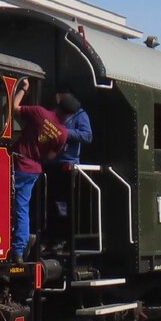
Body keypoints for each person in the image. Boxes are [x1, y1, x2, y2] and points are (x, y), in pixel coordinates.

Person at [11, 77, 68, 260]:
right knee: (22, 208)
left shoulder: (39, 112)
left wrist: (23, 90)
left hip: (19, 163)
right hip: (34, 168)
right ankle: (20, 247)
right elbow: (51, 156)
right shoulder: (63, 133)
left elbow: (14, 108)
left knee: (10, 205)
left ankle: (15, 246)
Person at [48, 90, 93, 243]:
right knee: (51, 203)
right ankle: (51, 238)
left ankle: (64, 240)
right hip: (52, 163)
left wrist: (65, 132)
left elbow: (87, 136)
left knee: (65, 204)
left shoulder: (80, 115)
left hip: (69, 165)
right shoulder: (55, 113)